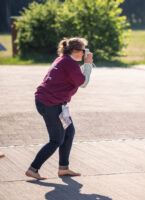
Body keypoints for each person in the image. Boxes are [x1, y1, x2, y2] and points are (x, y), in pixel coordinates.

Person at [25, 37, 93, 180]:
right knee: (56, 139)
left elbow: (75, 77)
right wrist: (88, 64)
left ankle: (63, 168)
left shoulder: (63, 59)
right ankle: (33, 168)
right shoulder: (70, 63)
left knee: (69, 132)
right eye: (83, 50)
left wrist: (85, 65)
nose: (85, 53)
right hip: (51, 103)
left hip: (49, 101)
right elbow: (84, 83)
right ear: (75, 50)